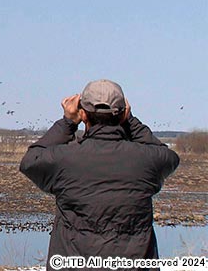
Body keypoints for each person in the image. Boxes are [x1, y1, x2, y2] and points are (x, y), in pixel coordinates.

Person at [20, 79, 179, 269]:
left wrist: (67, 123)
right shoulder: (146, 160)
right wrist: (131, 123)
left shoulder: (66, 159)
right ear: (122, 114)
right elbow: (169, 158)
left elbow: (31, 161)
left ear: (83, 114)